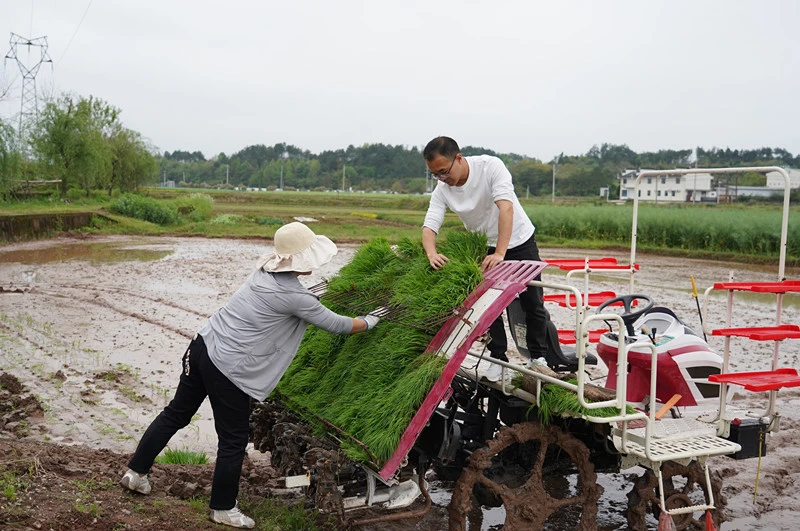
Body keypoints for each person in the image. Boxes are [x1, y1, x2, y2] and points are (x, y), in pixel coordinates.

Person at [119, 222, 380, 529]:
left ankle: (135, 473)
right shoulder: (296, 297)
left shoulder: (263, 273)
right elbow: (340, 325)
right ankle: (223, 508)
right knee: (233, 440)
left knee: (175, 414)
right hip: (226, 368)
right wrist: (370, 320)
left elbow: (293, 302)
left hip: (202, 345)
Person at [421, 136, 547, 380]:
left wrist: (500, 252)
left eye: (444, 171)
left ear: (458, 158)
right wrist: (431, 253)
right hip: (485, 247)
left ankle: (538, 358)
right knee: (487, 305)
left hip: (519, 240)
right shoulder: (442, 189)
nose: (442, 178)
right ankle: (498, 358)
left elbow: (506, 207)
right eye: (435, 175)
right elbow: (430, 224)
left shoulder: (490, 167)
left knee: (533, 303)